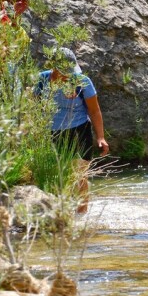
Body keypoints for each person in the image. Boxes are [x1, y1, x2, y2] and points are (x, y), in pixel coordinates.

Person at [35, 47, 109, 213]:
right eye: (63, 71)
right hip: (51, 133)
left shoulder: (82, 82)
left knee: (79, 176)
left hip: (79, 130)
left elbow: (95, 110)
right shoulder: (42, 80)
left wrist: (101, 137)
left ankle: (81, 216)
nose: (67, 75)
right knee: (58, 175)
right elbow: (33, 106)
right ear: (54, 67)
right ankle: (62, 214)